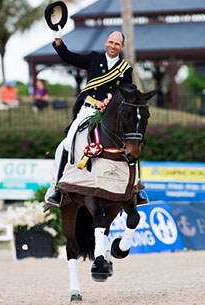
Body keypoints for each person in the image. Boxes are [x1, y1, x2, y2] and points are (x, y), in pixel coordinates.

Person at [46, 29, 147, 206]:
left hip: (112, 113)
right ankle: (58, 187)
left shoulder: (125, 70)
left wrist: (109, 102)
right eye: (111, 42)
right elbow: (68, 57)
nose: (113, 46)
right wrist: (58, 39)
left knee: (132, 142)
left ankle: (136, 189)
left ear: (121, 46)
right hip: (89, 109)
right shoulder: (94, 58)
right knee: (68, 142)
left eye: (117, 43)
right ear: (106, 42)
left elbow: (128, 93)